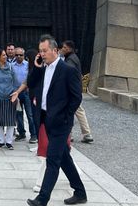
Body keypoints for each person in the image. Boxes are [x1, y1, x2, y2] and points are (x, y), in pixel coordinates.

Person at [16, 35, 86, 206]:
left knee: (52, 159)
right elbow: (31, 84)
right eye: (40, 51)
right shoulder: (42, 68)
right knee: (63, 158)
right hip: (45, 119)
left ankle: (42, 198)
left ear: (55, 50)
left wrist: (65, 115)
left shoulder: (68, 70)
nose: (42, 54)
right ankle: (80, 192)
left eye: (45, 51)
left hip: (61, 122)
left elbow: (76, 98)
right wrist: (37, 67)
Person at [0, 48, 21, 149]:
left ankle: (9, 141)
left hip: (10, 96)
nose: (5, 57)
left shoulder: (11, 67)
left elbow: (16, 82)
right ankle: (1, 141)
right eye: (3, 55)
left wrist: (15, 93)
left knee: (10, 120)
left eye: (5, 55)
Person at [61, 40, 92, 143]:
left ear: (69, 48)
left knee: (69, 111)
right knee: (78, 111)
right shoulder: (73, 58)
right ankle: (86, 133)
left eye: (64, 47)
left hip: (71, 91)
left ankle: (70, 134)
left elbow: (69, 72)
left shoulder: (70, 60)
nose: (63, 49)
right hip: (75, 90)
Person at [11, 47, 37, 144]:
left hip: (26, 92)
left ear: (24, 55)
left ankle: (33, 134)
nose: (18, 57)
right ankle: (21, 133)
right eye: (16, 55)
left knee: (30, 114)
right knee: (18, 115)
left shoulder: (28, 65)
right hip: (16, 92)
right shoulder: (11, 66)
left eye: (20, 55)